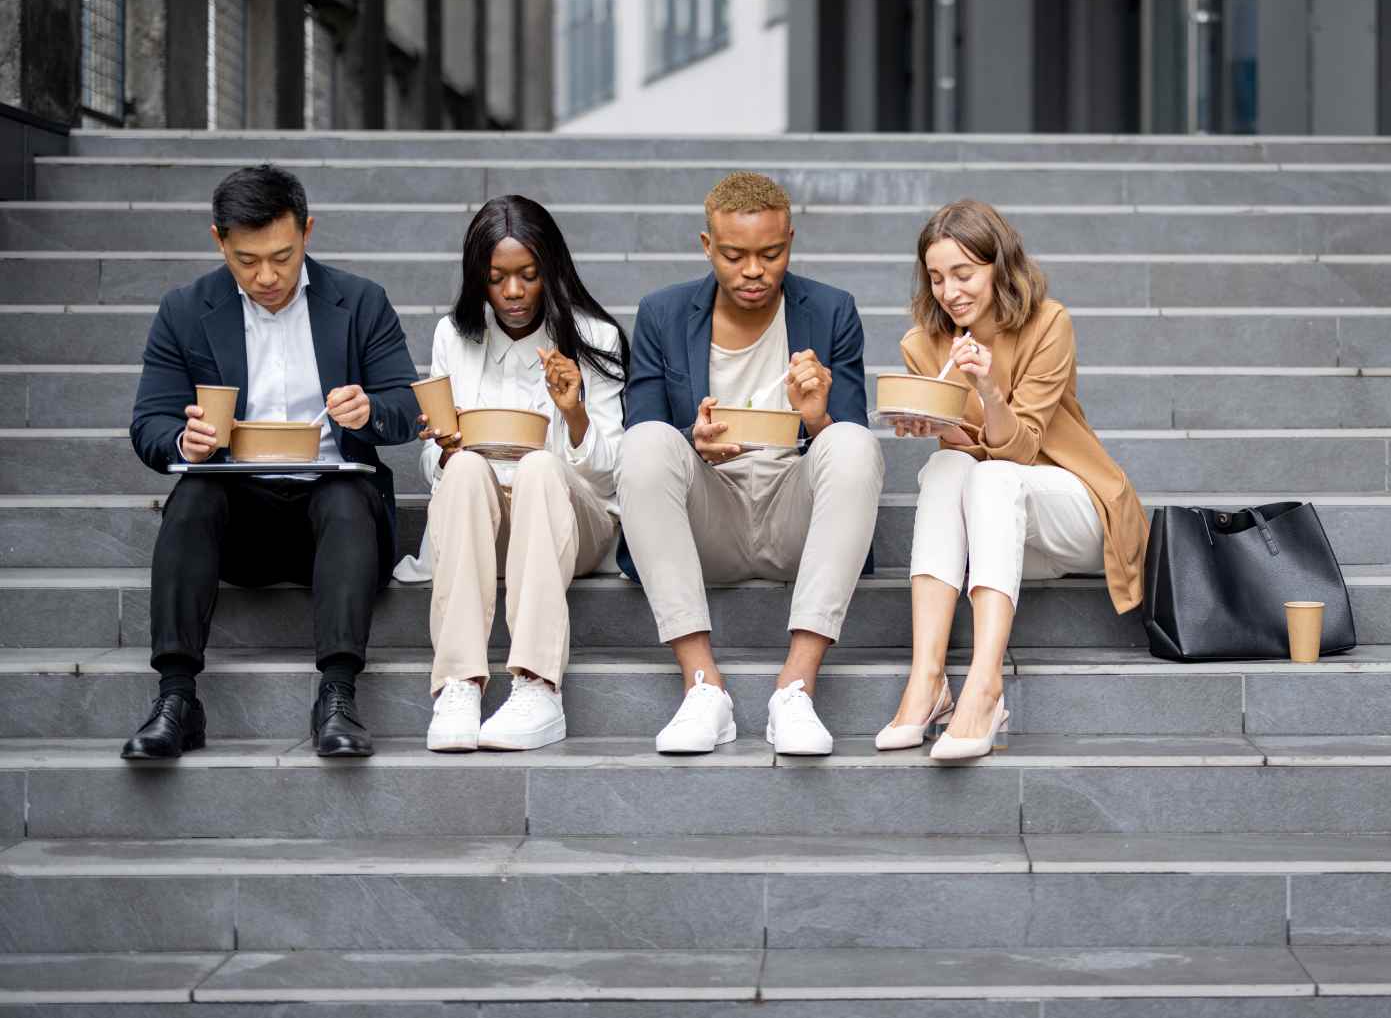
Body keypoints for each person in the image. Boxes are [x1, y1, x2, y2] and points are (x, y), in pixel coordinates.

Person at [123, 165, 420, 760]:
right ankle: (177, 698)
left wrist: (368, 412)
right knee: (194, 494)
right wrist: (187, 441)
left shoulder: (360, 302)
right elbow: (149, 424)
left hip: (337, 518)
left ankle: (337, 695)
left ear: (307, 231)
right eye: (246, 259)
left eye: (282, 257)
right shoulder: (185, 310)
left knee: (344, 491)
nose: (266, 276)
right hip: (241, 517)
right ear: (219, 241)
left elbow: (409, 407)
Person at [619, 171, 885, 756]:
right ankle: (701, 686)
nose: (755, 271)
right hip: (708, 514)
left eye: (772, 252)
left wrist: (817, 417)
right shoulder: (662, 314)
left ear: (790, 239)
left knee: (853, 443)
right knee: (642, 444)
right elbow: (642, 422)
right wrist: (694, 441)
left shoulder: (832, 311)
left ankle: (796, 687)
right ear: (707, 246)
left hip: (794, 509)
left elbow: (845, 451)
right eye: (735, 255)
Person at [879, 199, 1149, 760]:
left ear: (998, 267)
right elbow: (966, 453)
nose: (949, 291)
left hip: (1074, 506)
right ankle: (926, 679)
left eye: (963, 273)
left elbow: (1021, 448)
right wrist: (934, 424)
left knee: (994, 478)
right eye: (936, 278)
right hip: (997, 529)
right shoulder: (922, 346)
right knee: (947, 465)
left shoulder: (1048, 323)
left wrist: (986, 391)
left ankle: (985, 684)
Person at [403, 197, 628, 753]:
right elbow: (436, 470)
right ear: (477, 276)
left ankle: (537, 686)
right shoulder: (453, 337)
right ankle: (458, 683)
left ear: (551, 270)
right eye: (497, 277)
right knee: (463, 471)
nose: (512, 292)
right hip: (484, 522)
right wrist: (447, 449)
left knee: (541, 466)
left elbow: (609, 479)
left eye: (528, 276)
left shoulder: (594, 337)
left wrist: (573, 412)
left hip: (571, 520)